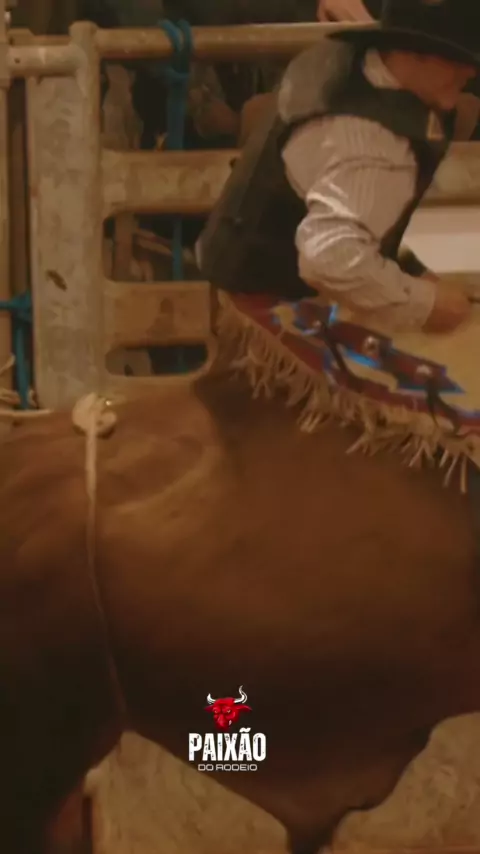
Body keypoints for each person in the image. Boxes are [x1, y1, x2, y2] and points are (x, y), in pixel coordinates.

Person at [198, 0, 480, 335]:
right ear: (413, 52)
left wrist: (410, 272)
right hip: (275, 321)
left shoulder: (351, 66)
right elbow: (328, 256)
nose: (470, 72)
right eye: (457, 60)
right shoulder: (366, 136)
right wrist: (424, 303)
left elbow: (352, 218)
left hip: (261, 295)